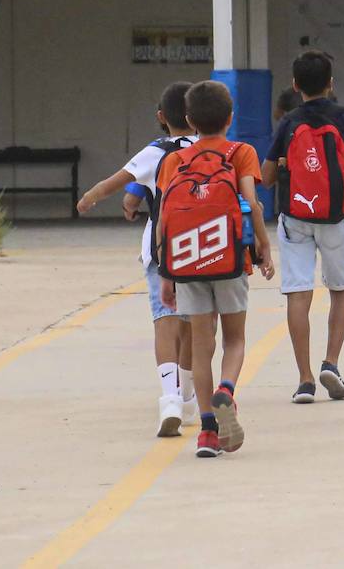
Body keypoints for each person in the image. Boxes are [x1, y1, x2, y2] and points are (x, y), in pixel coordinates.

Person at [156, 81, 275, 458]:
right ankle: (227, 389)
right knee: (235, 340)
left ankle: (207, 430)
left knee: (200, 349)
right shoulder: (241, 151)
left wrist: (165, 271)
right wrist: (264, 247)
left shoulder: (175, 160)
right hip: (230, 262)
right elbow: (252, 204)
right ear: (230, 117)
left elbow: (163, 218)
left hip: (187, 264)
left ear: (189, 120)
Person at [76, 82, 198, 437]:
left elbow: (114, 183)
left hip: (161, 249)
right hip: (202, 248)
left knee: (165, 321)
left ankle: (170, 398)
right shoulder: (212, 149)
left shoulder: (154, 152)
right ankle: (189, 395)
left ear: (161, 117)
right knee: (192, 322)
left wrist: (89, 199)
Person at [263, 50, 344, 404]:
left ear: (295, 85)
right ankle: (332, 361)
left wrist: (285, 163)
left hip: (295, 218)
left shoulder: (288, 122)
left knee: (299, 293)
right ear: (331, 83)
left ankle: (305, 379)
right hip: (336, 216)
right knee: (341, 288)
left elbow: (266, 179)